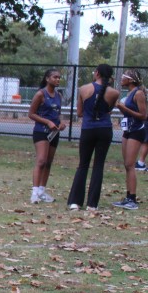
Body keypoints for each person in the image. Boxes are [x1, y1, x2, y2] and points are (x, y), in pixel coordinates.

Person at [66, 64, 121, 211]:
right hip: (105, 129)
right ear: (110, 76)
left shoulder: (83, 89)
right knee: (98, 165)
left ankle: (75, 202)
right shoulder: (114, 93)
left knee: (83, 164)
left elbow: (79, 113)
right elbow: (109, 110)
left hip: (88, 129)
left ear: (97, 73)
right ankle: (92, 204)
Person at [27, 69, 66, 204]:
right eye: (55, 77)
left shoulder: (58, 95)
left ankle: (42, 191)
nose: (58, 80)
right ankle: (34, 193)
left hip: (54, 133)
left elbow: (58, 113)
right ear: (47, 78)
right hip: (42, 131)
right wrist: (47, 122)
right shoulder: (40, 94)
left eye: (59, 77)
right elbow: (31, 114)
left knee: (48, 162)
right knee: (41, 161)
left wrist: (61, 123)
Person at [112, 69, 146, 210]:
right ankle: (128, 196)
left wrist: (123, 107)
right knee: (127, 164)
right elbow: (127, 114)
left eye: (124, 77)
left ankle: (132, 199)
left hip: (136, 131)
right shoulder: (129, 93)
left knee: (130, 164)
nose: (121, 79)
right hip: (128, 130)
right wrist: (120, 107)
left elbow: (143, 115)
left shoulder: (138, 93)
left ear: (131, 80)